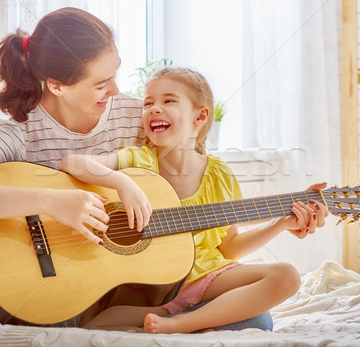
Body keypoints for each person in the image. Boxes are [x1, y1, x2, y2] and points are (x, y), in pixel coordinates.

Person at [0, 7, 283, 330]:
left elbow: (179, 170)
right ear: (56, 85)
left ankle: (144, 316)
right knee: (41, 309)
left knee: (255, 320)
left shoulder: (136, 114)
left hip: (119, 278)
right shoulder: (17, 132)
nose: (116, 89)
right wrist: (52, 202)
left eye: (115, 75)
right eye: (100, 83)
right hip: (28, 274)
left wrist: (276, 218)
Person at [58, 67, 329, 333]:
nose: (153, 108)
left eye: (168, 101)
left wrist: (280, 224)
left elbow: (229, 248)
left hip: (206, 277)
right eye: (148, 103)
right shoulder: (137, 160)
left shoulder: (219, 174)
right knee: (255, 322)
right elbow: (72, 162)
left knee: (286, 277)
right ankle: (187, 321)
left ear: (200, 116)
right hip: (153, 283)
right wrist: (122, 182)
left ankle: (179, 324)